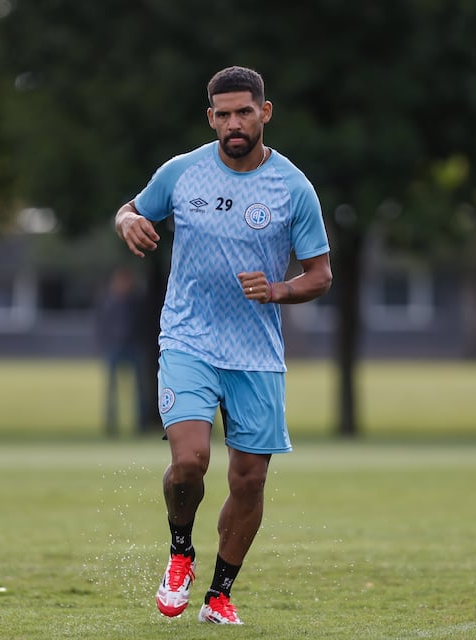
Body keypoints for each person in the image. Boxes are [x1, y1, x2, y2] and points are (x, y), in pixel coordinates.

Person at [114, 65, 332, 625]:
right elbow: (133, 208)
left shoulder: (292, 187)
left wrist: (280, 289)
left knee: (249, 479)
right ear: (210, 117)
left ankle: (219, 595)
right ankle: (181, 553)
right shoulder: (182, 173)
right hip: (188, 337)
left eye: (244, 112)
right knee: (190, 461)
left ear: (265, 112)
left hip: (256, 352)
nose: (234, 123)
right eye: (223, 114)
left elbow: (321, 275)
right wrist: (125, 221)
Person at [95, 266, 146, 436]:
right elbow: (101, 325)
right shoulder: (107, 301)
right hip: (113, 347)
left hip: (132, 346)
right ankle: (111, 426)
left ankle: (141, 425)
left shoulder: (135, 301)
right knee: (112, 390)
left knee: (139, 389)